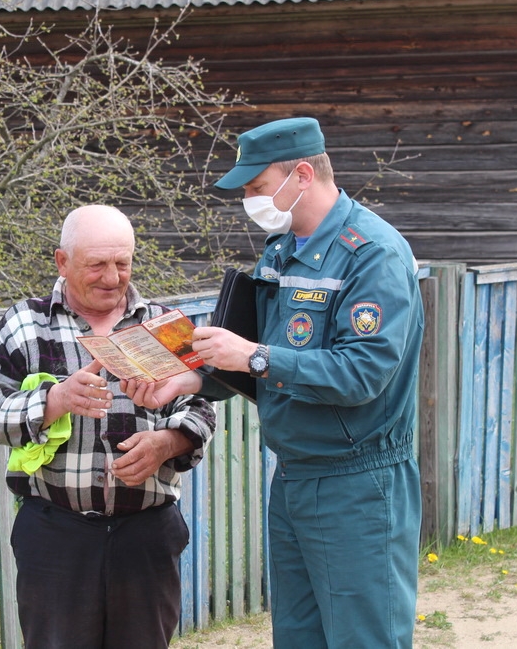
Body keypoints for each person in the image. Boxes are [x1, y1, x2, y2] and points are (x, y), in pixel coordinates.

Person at [125, 117, 424, 648]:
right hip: (295, 476)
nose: (250, 200)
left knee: (364, 638)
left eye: (258, 187)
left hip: (358, 482)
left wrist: (256, 355)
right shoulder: (282, 250)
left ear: (302, 174)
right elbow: (262, 363)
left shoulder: (371, 254)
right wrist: (191, 383)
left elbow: (363, 373)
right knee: (298, 636)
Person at [0, 204, 217, 649]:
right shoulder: (23, 324)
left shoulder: (162, 325)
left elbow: (202, 407)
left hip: (146, 533)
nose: (112, 277)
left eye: (122, 263)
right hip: (56, 533)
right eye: (97, 265)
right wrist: (56, 400)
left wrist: (168, 442)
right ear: (62, 262)